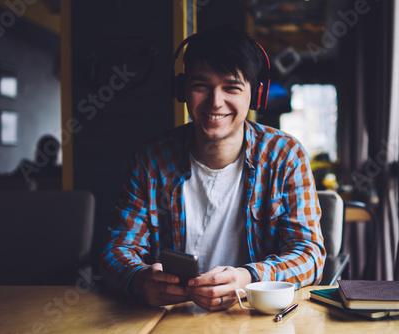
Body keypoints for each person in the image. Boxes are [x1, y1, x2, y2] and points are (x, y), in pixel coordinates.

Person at [99, 26, 325, 311]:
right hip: (172, 320)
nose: (215, 102)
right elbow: (116, 251)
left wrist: (249, 278)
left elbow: (310, 255)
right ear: (181, 90)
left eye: (231, 87)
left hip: (254, 318)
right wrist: (139, 279)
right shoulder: (151, 159)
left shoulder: (286, 155)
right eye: (201, 86)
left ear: (256, 95)